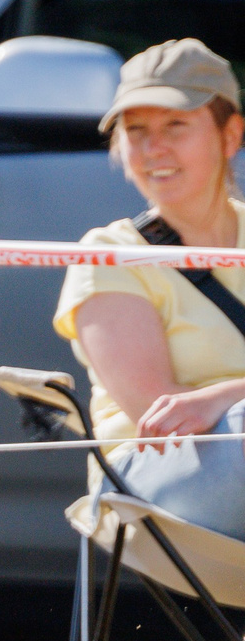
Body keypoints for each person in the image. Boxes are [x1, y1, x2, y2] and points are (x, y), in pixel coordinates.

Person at [55, 39, 245, 536]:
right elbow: (162, 417)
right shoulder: (109, 252)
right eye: (135, 131)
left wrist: (224, 394)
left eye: (174, 126)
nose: (152, 149)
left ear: (230, 135)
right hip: (156, 492)